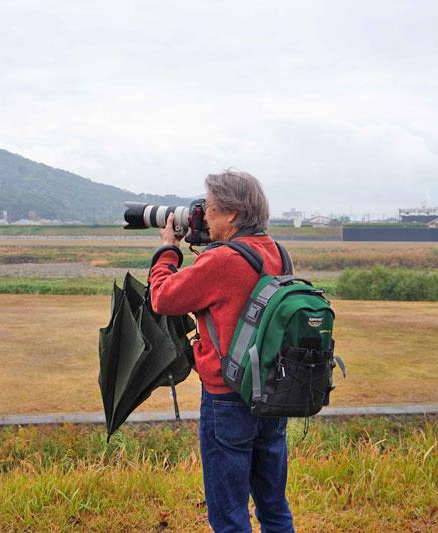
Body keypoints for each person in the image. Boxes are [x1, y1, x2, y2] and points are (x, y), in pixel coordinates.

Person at [148, 170, 295, 533]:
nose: (204, 215)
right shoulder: (277, 252)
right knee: (274, 507)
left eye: (209, 208)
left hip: (228, 399)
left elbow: (163, 297)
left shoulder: (221, 261)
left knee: (229, 516)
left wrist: (168, 249)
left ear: (231, 214)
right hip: (272, 395)